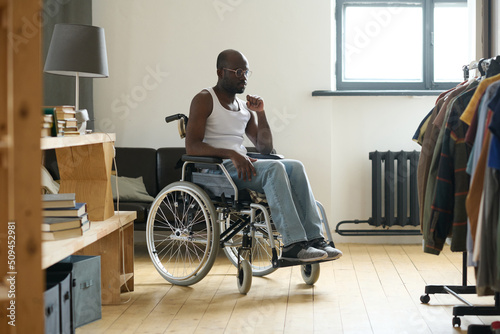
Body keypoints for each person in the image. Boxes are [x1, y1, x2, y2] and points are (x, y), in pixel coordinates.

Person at [185, 49, 342, 262]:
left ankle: (314, 239)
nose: (244, 78)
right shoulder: (204, 99)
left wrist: (260, 112)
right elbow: (192, 146)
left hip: (240, 166)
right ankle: (293, 244)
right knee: (275, 169)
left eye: (247, 72)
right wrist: (231, 153)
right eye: (238, 72)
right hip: (216, 169)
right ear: (221, 72)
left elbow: (265, 148)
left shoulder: (244, 108)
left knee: (295, 165)